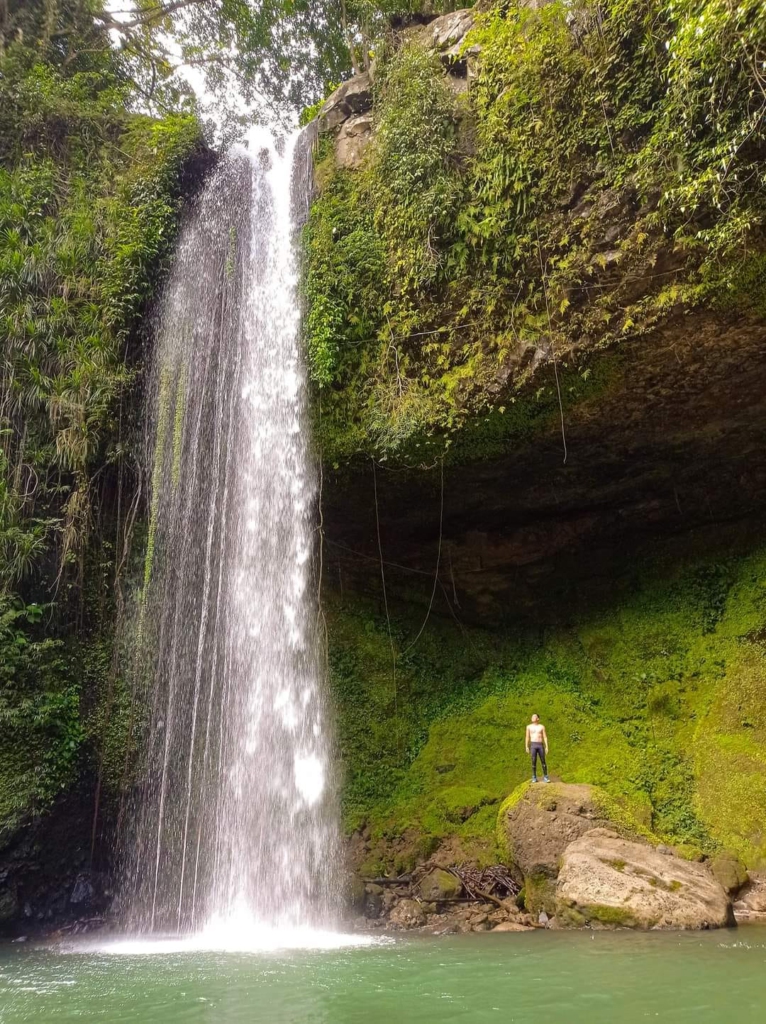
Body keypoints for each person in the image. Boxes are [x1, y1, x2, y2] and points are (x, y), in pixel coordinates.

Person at [525, 714, 550, 783]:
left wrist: (546, 746)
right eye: (532, 716)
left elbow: (545, 737)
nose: (532, 717)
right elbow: (527, 737)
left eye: (534, 716)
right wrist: (526, 746)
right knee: (533, 761)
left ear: (538, 718)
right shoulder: (529, 727)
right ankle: (534, 777)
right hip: (533, 745)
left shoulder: (541, 727)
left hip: (540, 745)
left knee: (543, 761)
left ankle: (545, 776)